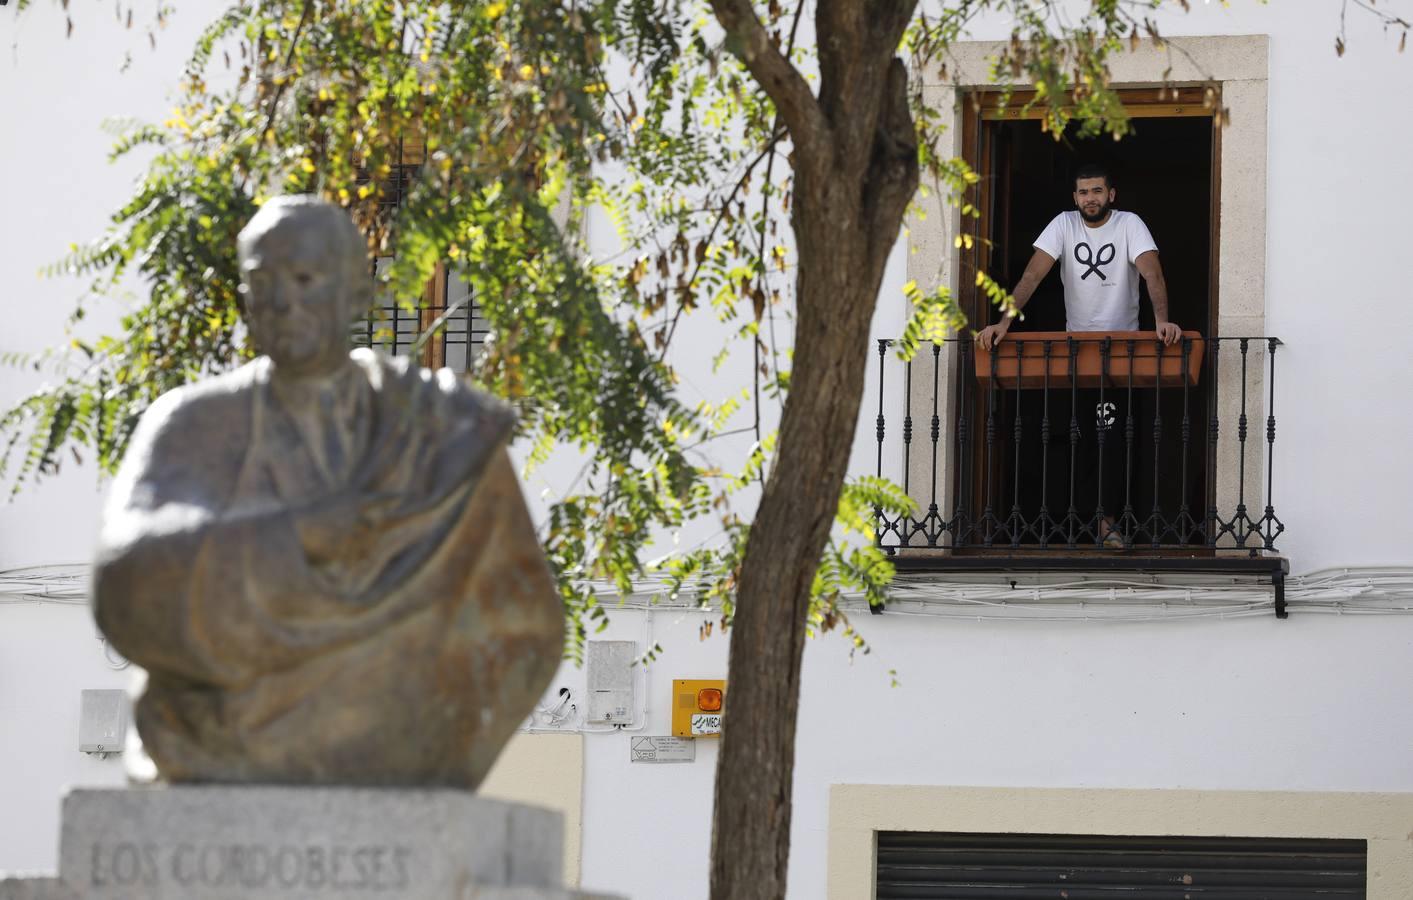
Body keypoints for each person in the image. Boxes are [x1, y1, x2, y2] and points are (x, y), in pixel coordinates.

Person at [93, 196, 564, 786]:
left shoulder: (443, 435)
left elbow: (525, 621)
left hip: (406, 726)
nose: (283, 301)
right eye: (261, 282)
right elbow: (126, 575)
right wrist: (297, 535)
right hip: (216, 733)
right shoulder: (193, 423)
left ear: (357, 297)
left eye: (305, 278)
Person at [974, 163, 1180, 547]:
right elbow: (1032, 277)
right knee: (1083, 440)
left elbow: (1152, 273)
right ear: (1075, 197)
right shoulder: (1064, 225)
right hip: (1077, 352)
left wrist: (1163, 322)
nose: (1091, 199)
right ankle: (1080, 522)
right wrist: (1004, 324)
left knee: (1117, 439)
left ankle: (1109, 523)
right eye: (1084, 192)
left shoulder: (1129, 224)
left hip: (1124, 352)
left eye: (1097, 191)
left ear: (1111, 194)